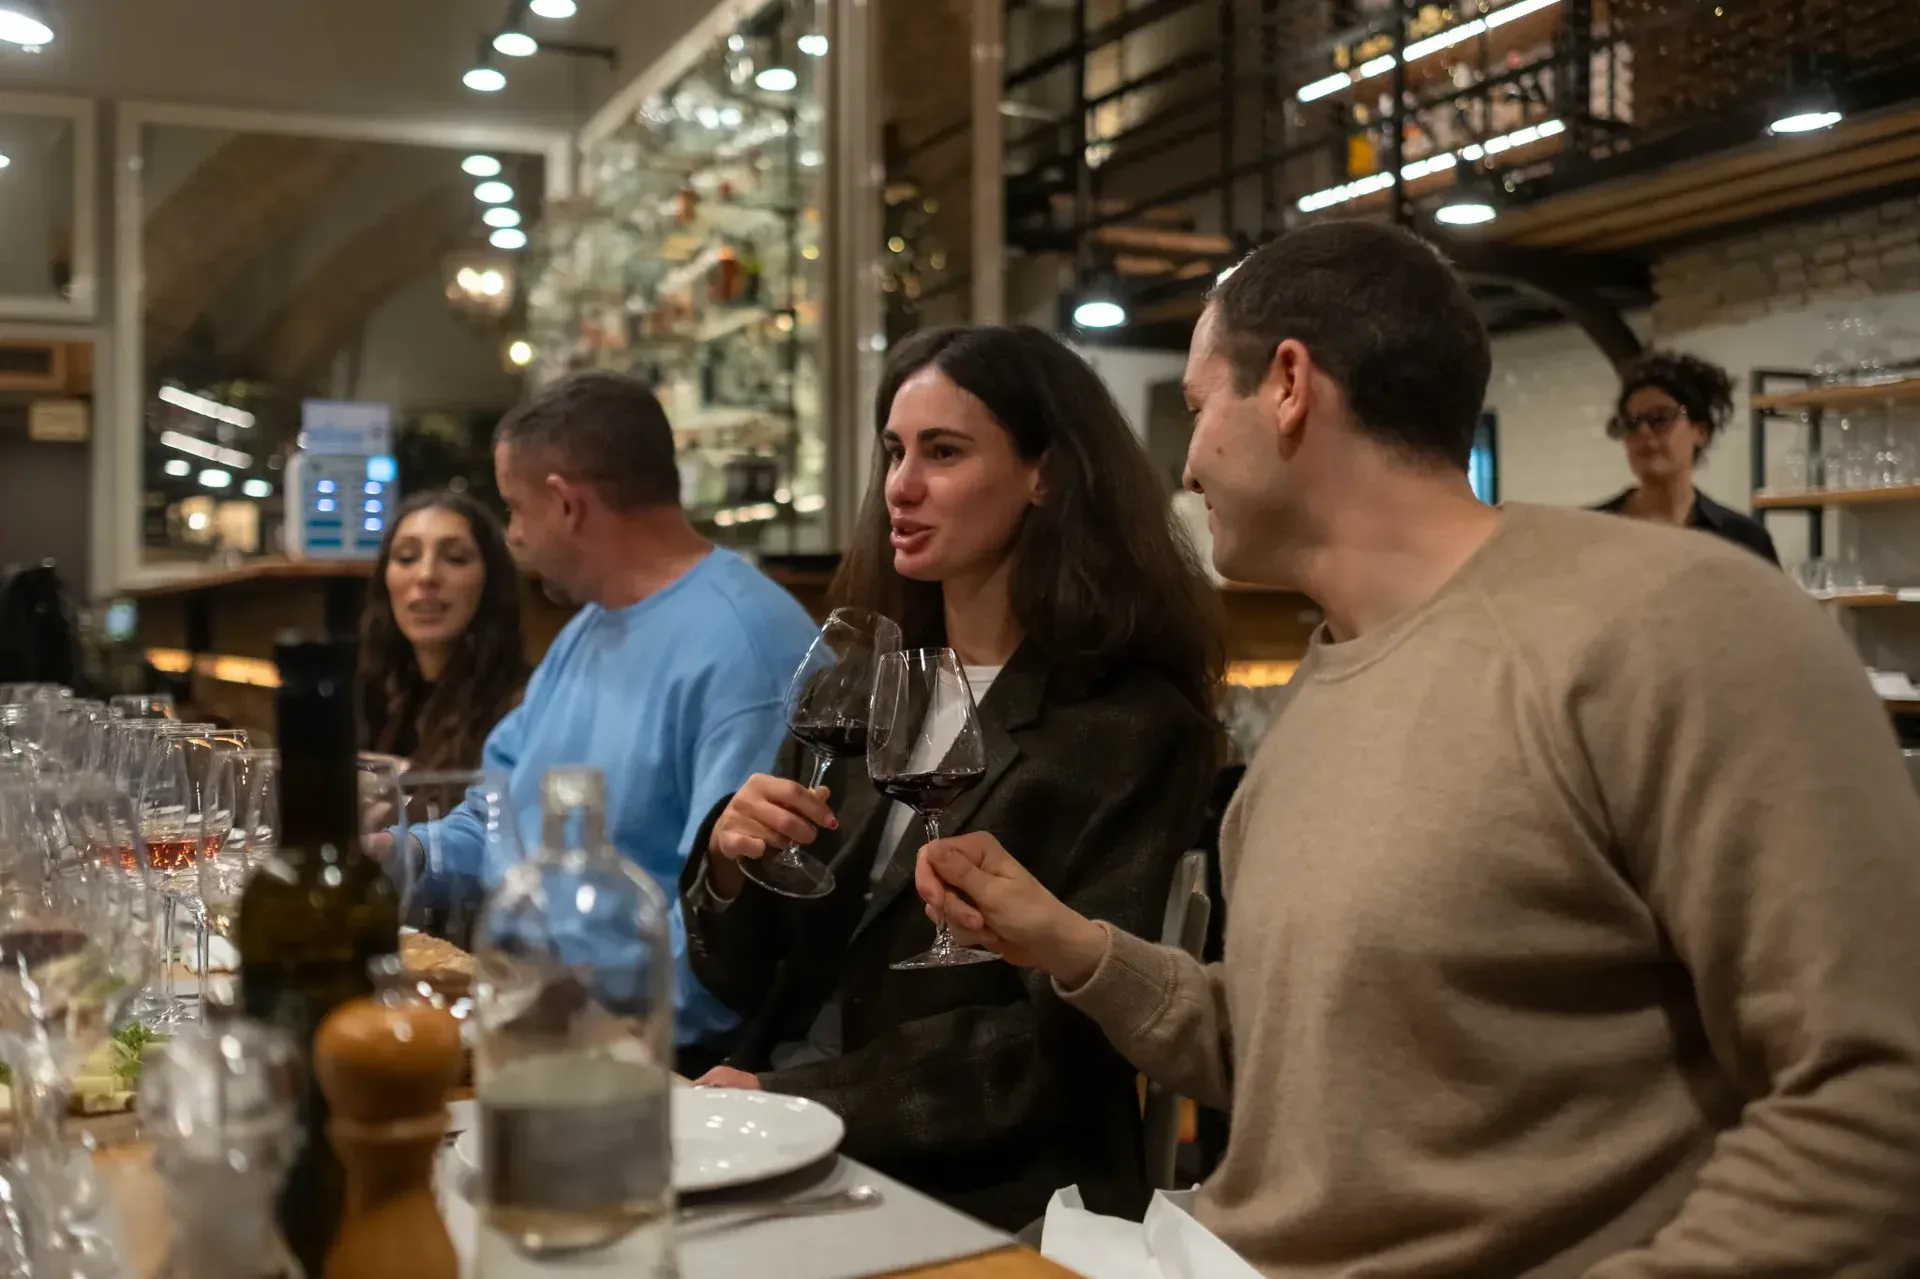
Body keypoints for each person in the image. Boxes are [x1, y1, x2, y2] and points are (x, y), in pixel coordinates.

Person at [917, 223, 1920, 1275]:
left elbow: (1877, 1096)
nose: (1187, 457)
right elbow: (1308, 1061)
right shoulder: (1323, 685)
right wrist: (1078, 947)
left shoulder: (1676, 623)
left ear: (1291, 385)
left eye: (1204, 403)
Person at [680, 324, 1224, 1231]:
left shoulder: (1128, 726)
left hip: (980, 1181)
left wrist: (799, 1100)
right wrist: (733, 866)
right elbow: (741, 977)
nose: (901, 485)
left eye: (943, 452)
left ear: (1043, 474)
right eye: (895, 451)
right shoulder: (863, 676)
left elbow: (1049, 1047)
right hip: (779, 1125)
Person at [410, 371, 817, 1068]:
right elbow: (500, 817)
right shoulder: (592, 624)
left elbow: (725, 941)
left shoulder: (745, 648)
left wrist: (534, 1031)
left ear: (567, 504)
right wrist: (402, 855)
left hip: (641, 1061)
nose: (511, 535)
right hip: (526, 1013)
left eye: (514, 509)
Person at [357, 490, 528, 771]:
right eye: (407, 557)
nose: (426, 576)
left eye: (456, 558)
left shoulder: (523, 709)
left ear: (491, 581)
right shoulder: (377, 700)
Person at [1592, 350, 1779, 563]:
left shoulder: (1743, 538)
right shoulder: (1589, 531)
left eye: (1660, 418)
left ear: (1700, 432)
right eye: (1631, 424)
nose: (1643, 432)